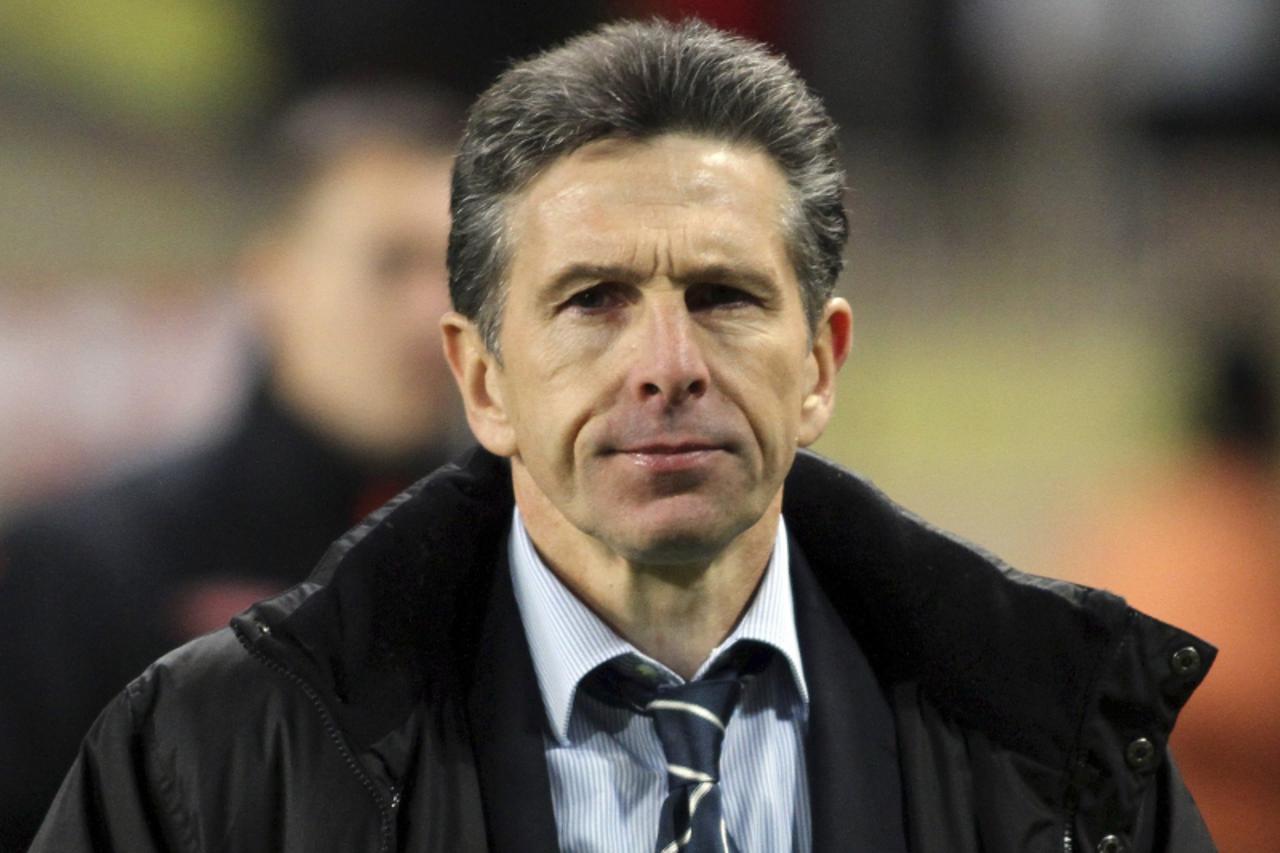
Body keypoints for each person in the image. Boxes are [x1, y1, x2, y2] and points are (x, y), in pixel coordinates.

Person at [30, 20, 1216, 852]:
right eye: (592, 300)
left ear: (820, 364)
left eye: (724, 296)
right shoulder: (210, 754)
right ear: (482, 379)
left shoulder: (1064, 750)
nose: (666, 367)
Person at [0, 86, 464, 850]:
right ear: (273, 277)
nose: (433, 311)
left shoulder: (525, 558)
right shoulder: (89, 565)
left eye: (456, 268)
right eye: (390, 265)